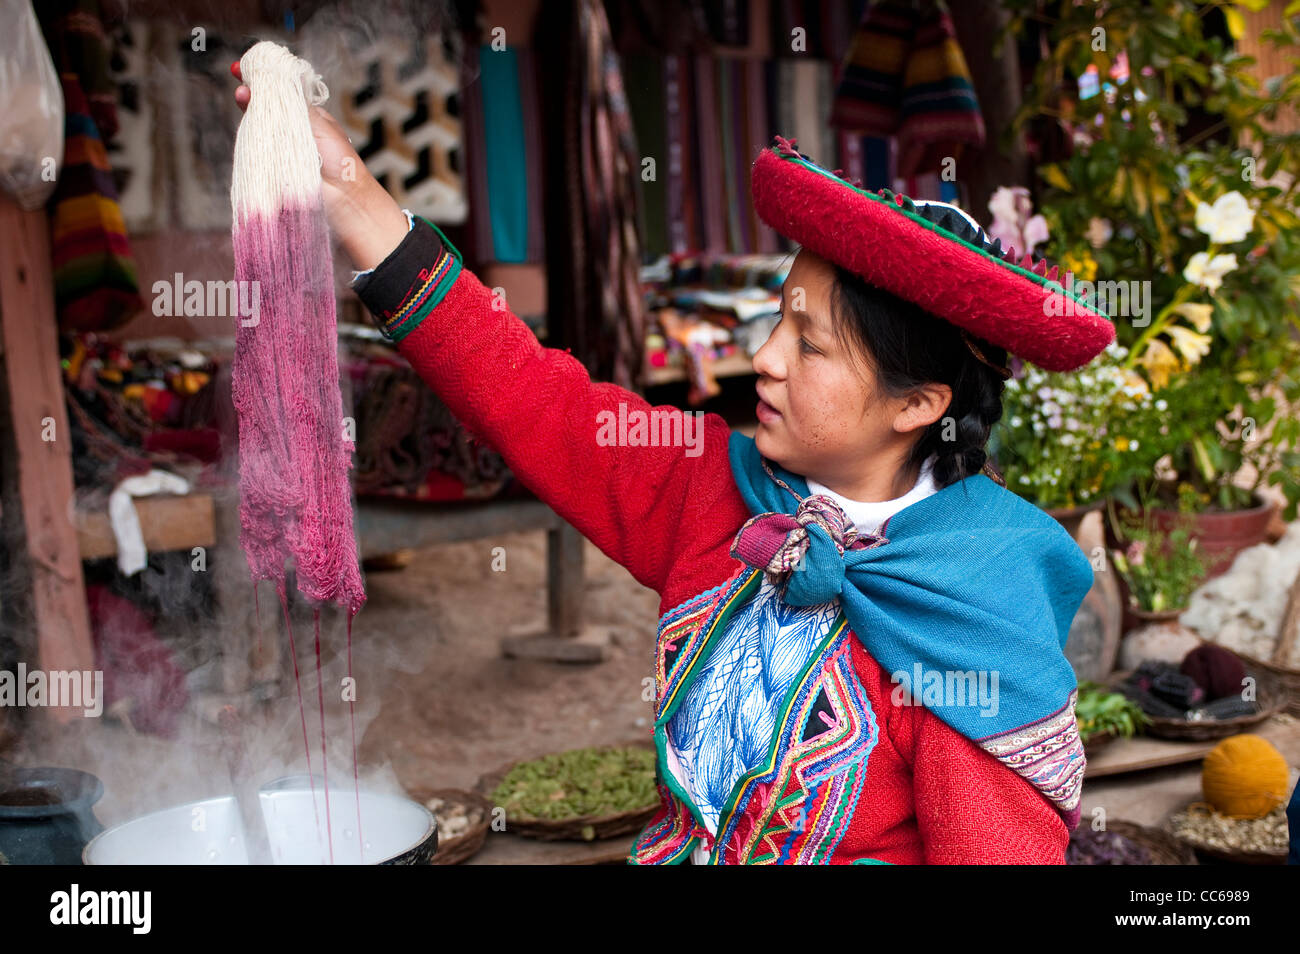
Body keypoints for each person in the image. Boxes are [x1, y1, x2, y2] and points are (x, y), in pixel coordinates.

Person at [232, 71, 1116, 864]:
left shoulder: (975, 609)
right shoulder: (710, 487)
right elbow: (529, 396)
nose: (764, 358)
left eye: (808, 346)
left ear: (917, 405)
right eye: (777, 322)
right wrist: (349, 190)